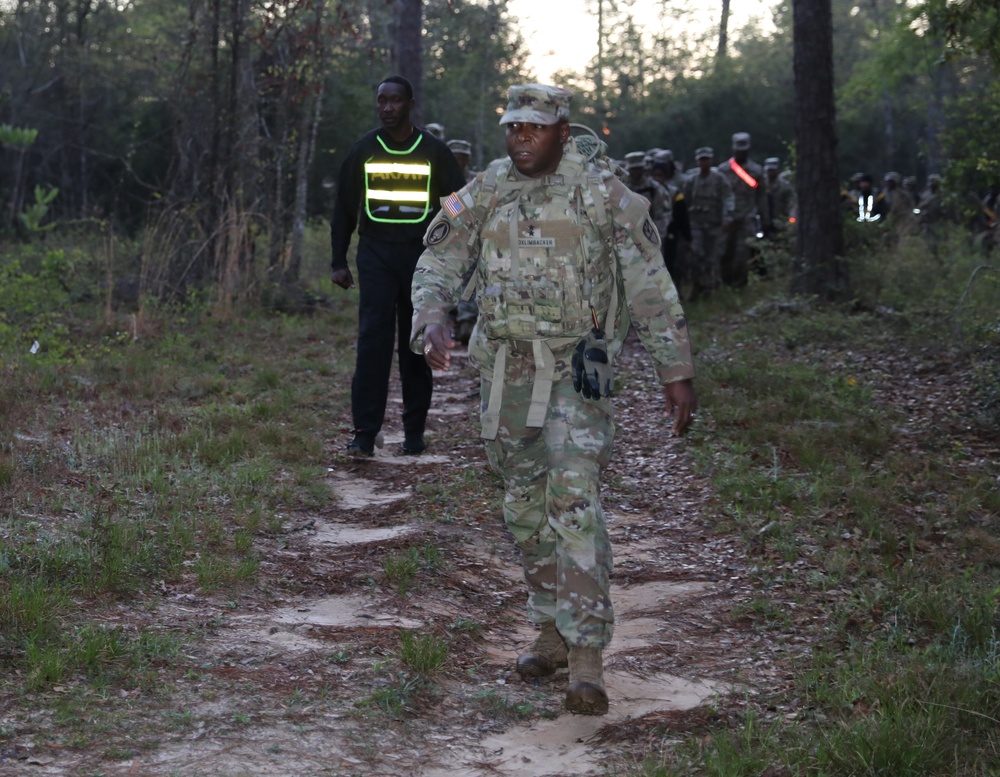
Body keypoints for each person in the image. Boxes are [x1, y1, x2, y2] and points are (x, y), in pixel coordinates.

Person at [409, 84, 696, 715]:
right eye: (513, 127)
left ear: (562, 131)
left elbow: (649, 278)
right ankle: (550, 628)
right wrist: (431, 315)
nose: (520, 138)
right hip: (506, 374)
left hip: (575, 370)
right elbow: (439, 258)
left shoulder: (601, 193)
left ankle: (587, 656)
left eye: (534, 128)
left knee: (573, 500)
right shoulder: (486, 189)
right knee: (523, 509)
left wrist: (675, 368)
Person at [329, 75, 465, 457]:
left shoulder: (434, 151)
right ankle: (364, 433)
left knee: (415, 342)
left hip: (420, 258)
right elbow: (343, 209)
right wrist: (338, 260)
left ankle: (414, 432)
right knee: (372, 342)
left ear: (410, 104)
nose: (387, 108)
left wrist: (455, 245)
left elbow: (455, 202)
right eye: (382, 101)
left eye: (395, 101)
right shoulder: (364, 151)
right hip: (374, 256)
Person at [683, 146, 734, 300]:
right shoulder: (692, 180)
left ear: (711, 160)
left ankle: (711, 286)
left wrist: (727, 218)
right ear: (697, 161)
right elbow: (685, 202)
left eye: (707, 159)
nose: (704, 162)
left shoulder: (719, 179)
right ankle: (698, 284)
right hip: (697, 224)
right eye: (701, 160)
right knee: (697, 254)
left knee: (713, 256)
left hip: (714, 224)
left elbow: (728, 198)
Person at [717, 132, 767, 288]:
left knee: (742, 252)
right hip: (727, 218)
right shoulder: (723, 170)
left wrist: (765, 219)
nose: (741, 152)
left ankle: (739, 284)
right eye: (739, 149)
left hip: (747, 217)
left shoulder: (757, 171)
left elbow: (762, 197)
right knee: (725, 251)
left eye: (744, 149)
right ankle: (725, 281)